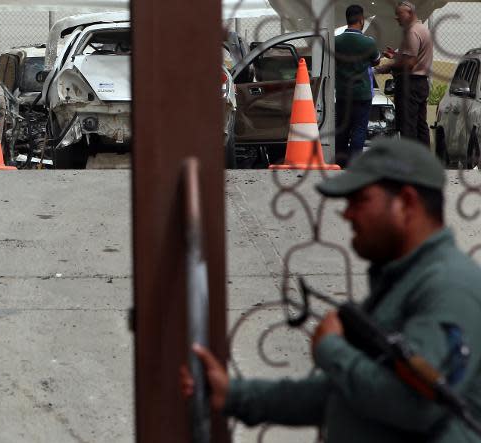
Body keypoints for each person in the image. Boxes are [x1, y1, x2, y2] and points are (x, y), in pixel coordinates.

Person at [181, 137, 481, 441]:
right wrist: (235, 395)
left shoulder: (449, 287)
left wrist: (331, 349)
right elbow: (346, 391)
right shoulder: (404, 281)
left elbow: (416, 404)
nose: (347, 214)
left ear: (406, 202)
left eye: (360, 201)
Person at [375, 0, 433, 146]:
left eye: (399, 14)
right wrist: (395, 56)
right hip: (421, 83)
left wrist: (387, 67)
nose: (396, 18)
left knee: (408, 125)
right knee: (420, 123)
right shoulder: (422, 29)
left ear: (410, 13)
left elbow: (410, 63)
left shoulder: (412, 32)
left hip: (410, 84)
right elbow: (414, 58)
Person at [335, 5, 380, 167]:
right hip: (362, 94)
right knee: (359, 129)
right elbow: (376, 61)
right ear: (361, 20)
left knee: (342, 130)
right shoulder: (368, 43)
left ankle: (339, 163)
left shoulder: (335, 42)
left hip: (342, 94)